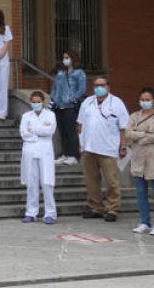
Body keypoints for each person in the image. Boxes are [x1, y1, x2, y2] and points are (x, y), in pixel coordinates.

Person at [76, 76, 127, 222]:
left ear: (108, 86)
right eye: (96, 85)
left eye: (102, 85)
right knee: (91, 180)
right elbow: (79, 124)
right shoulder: (87, 102)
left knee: (111, 180)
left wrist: (123, 146)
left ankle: (112, 209)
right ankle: (95, 207)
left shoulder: (116, 103)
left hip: (108, 148)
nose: (98, 88)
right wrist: (81, 143)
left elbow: (124, 127)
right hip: (89, 147)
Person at [19, 91, 57, 224]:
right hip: (30, 151)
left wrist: (33, 130)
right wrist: (39, 132)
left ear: (43, 102)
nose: (36, 104)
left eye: (38, 102)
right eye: (33, 102)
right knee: (31, 183)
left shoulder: (50, 115)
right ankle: (31, 212)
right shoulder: (26, 116)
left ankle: (50, 213)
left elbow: (49, 131)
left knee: (47, 182)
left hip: (45, 151)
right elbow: (24, 133)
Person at [126, 88, 154, 234]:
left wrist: (140, 136)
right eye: (142, 99)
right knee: (141, 192)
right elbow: (128, 133)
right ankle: (145, 222)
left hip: (152, 159)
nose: (145, 102)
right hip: (138, 159)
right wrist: (145, 134)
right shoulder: (134, 116)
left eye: (148, 99)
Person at [52, 51, 86, 165]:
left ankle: (73, 155)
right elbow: (55, 88)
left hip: (70, 106)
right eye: (63, 57)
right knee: (63, 131)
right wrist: (54, 98)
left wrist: (72, 98)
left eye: (67, 57)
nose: (64, 59)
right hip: (59, 105)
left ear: (73, 58)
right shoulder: (61, 73)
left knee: (71, 131)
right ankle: (64, 154)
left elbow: (82, 89)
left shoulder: (79, 73)